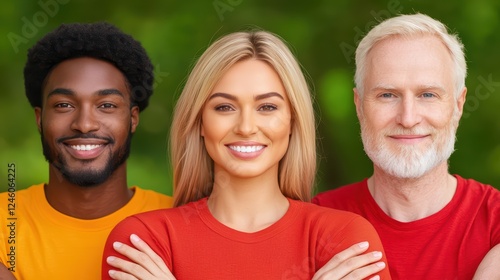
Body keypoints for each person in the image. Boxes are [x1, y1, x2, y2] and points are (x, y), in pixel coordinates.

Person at [101, 30, 392, 280]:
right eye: (224, 107)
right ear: (200, 122)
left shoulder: (345, 240)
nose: (246, 127)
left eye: (267, 107)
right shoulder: (143, 242)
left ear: (292, 121)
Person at [312, 13, 500, 279]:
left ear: (458, 105)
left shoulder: (495, 222)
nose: (408, 119)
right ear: (359, 106)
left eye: (428, 95)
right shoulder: (312, 223)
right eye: (387, 95)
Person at [0, 22, 173, 280]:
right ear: (40, 119)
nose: (84, 124)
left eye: (106, 105)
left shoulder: (178, 221)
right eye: (64, 105)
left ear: (133, 119)